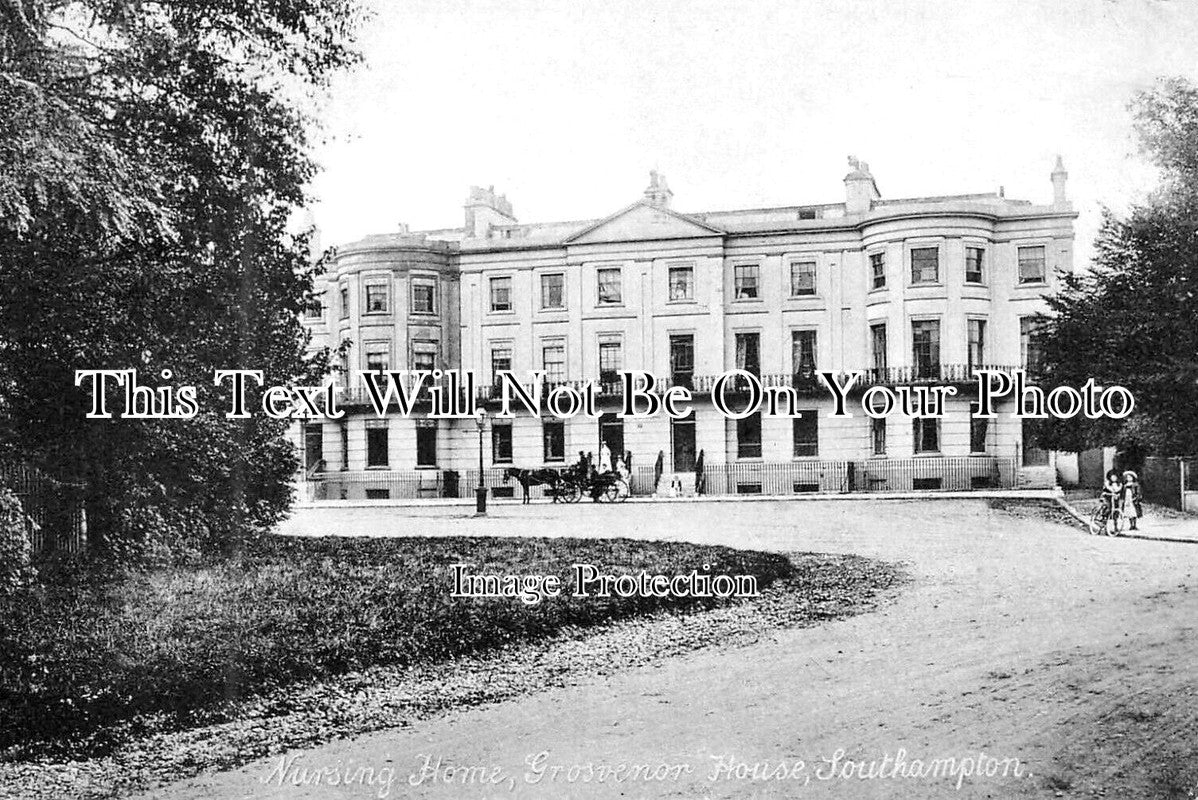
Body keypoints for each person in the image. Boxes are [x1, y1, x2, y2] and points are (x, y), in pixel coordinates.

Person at [1099, 469, 1123, 534]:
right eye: (1112, 477)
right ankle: (1103, 520)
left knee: (1116, 511)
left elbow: (1120, 491)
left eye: (1115, 477)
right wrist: (1105, 493)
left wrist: (1119, 494)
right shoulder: (1107, 484)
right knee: (1108, 508)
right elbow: (1104, 491)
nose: (1113, 478)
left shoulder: (1119, 485)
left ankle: (1116, 526)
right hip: (1108, 498)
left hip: (1115, 499)